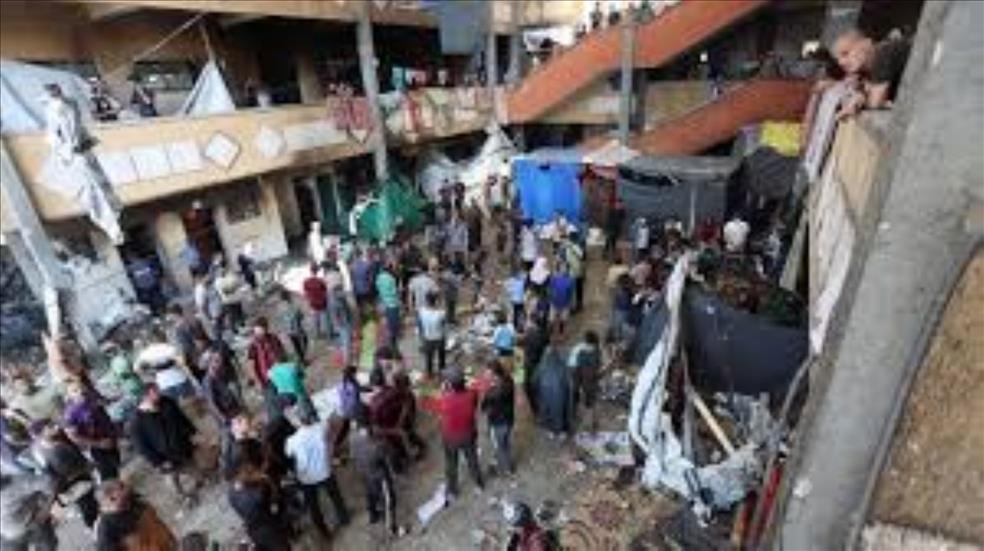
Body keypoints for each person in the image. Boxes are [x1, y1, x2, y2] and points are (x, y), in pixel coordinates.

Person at [284, 411, 351, 538]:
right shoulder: (321, 428)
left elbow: (288, 454)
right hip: (324, 471)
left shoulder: (291, 440)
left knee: (314, 506)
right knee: (335, 497)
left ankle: (323, 531)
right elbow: (334, 422)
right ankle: (344, 518)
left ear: (296, 423)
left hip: (306, 478)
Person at [130, 384, 199, 502]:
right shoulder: (137, 421)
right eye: (155, 392)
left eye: (158, 390)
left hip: (181, 445)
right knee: (172, 478)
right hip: (164, 455)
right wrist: (158, 462)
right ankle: (181, 496)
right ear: (145, 397)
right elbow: (142, 447)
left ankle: (199, 480)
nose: (159, 393)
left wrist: (192, 431)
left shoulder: (167, 402)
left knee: (191, 465)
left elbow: (181, 417)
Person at [30, 423, 100, 529]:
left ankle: (93, 522)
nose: (55, 427)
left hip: (73, 482)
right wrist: (87, 467)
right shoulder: (56, 451)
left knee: (86, 504)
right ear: (41, 434)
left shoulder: (40, 447)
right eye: (49, 427)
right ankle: (94, 526)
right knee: (88, 505)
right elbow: (68, 473)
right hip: (78, 482)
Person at [350, 414, 408, 537]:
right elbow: (390, 456)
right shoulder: (377, 445)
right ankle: (392, 529)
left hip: (363, 472)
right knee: (389, 500)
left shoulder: (352, 438)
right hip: (379, 476)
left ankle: (373, 515)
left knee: (370, 494)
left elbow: (353, 456)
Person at [436, 369, 484, 499]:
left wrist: (443, 391)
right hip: (468, 434)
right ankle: (479, 483)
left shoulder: (445, 399)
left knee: (451, 463)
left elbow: (440, 411)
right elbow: (474, 400)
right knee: (472, 459)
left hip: (451, 437)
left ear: (449, 385)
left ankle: (452, 490)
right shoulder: (472, 394)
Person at [228, 458, 291, 550]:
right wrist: (262, 482)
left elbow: (273, 499)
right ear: (239, 472)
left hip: (263, 525)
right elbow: (254, 505)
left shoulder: (235, 489)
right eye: (247, 471)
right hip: (262, 528)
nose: (250, 472)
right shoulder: (240, 492)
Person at [62, 380, 121, 481]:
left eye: (81, 388)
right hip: (94, 447)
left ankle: (118, 485)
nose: (80, 392)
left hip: (109, 438)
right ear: (69, 395)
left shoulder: (92, 398)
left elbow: (104, 412)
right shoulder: (71, 413)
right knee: (106, 471)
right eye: (75, 390)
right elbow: (73, 437)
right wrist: (98, 444)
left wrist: (114, 432)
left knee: (115, 463)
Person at [94, 480, 176, 551]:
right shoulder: (106, 530)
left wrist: (170, 540)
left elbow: (157, 522)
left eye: (122, 488)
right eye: (112, 498)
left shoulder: (137, 502)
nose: (122, 494)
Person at [0, 472, 57, 551]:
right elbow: (49, 482)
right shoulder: (11, 485)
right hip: (18, 528)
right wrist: (49, 501)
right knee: (47, 544)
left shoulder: (11, 485)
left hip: (9, 533)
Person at [535, 333, 574, 439]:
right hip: (558, 388)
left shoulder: (547, 356)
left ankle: (554, 430)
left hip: (550, 388)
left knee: (551, 410)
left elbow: (537, 375)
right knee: (560, 410)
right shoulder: (562, 355)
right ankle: (560, 430)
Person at [247, 317, 288, 418]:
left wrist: (284, 365)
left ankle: (283, 420)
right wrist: (257, 381)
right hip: (265, 379)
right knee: (271, 404)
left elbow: (282, 353)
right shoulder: (253, 345)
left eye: (263, 329)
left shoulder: (273, 338)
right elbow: (251, 364)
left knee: (282, 401)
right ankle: (276, 422)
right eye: (258, 330)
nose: (261, 332)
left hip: (279, 375)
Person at [481, 361, 516, 475]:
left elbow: (484, 408)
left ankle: (505, 468)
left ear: (494, 375)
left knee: (501, 445)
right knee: (505, 443)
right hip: (508, 418)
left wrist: (487, 392)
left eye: (487, 373)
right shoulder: (508, 380)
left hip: (498, 422)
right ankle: (504, 462)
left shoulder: (494, 393)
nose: (485, 375)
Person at [569, 331, 603, 433]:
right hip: (589, 381)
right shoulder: (596, 351)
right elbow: (597, 367)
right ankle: (592, 426)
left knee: (583, 403)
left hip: (582, 380)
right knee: (591, 403)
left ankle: (585, 425)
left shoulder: (580, 350)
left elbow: (574, 368)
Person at [418, 292, 448, 377]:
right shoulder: (441, 313)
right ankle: (442, 373)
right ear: (436, 301)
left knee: (429, 358)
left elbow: (420, 326)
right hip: (439, 338)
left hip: (427, 338)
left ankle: (429, 374)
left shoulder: (422, 312)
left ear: (427, 301)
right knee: (441, 357)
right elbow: (444, 326)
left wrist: (421, 337)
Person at [376, 262, 402, 349]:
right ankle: (392, 344)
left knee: (384, 324)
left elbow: (377, 289)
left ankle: (385, 343)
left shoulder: (379, 277)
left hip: (382, 303)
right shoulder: (391, 278)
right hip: (392, 303)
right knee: (393, 326)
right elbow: (394, 292)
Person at [302, 263, 331, 340]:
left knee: (315, 320)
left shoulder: (306, 282)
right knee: (324, 319)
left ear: (310, 270)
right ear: (317, 271)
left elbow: (305, 293)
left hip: (313, 303)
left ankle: (318, 335)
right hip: (322, 303)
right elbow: (326, 292)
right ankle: (328, 335)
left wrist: (309, 300)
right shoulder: (321, 281)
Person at [561, 238, 586, 312]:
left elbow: (581, 255)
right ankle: (575, 305)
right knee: (576, 288)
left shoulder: (573, 247)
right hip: (573, 271)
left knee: (576, 288)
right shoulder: (567, 248)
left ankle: (577, 305)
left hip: (576, 271)